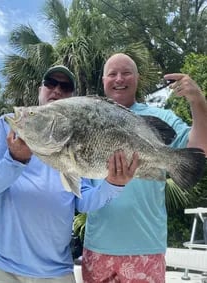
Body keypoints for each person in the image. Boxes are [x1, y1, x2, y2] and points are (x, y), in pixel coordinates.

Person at [0, 64, 139, 283]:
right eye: (50, 84)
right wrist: (15, 160)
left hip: (54, 271)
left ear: (72, 97)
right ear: (40, 89)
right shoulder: (10, 126)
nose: (56, 90)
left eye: (65, 87)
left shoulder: (78, 139)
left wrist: (113, 185)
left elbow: (83, 202)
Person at [82, 53, 207, 283]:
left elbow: (199, 149)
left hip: (146, 250)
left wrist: (198, 101)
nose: (119, 78)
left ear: (137, 79)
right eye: (112, 74)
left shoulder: (159, 117)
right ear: (103, 81)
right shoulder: (88, 119)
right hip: (97, 249)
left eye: (126, 72)